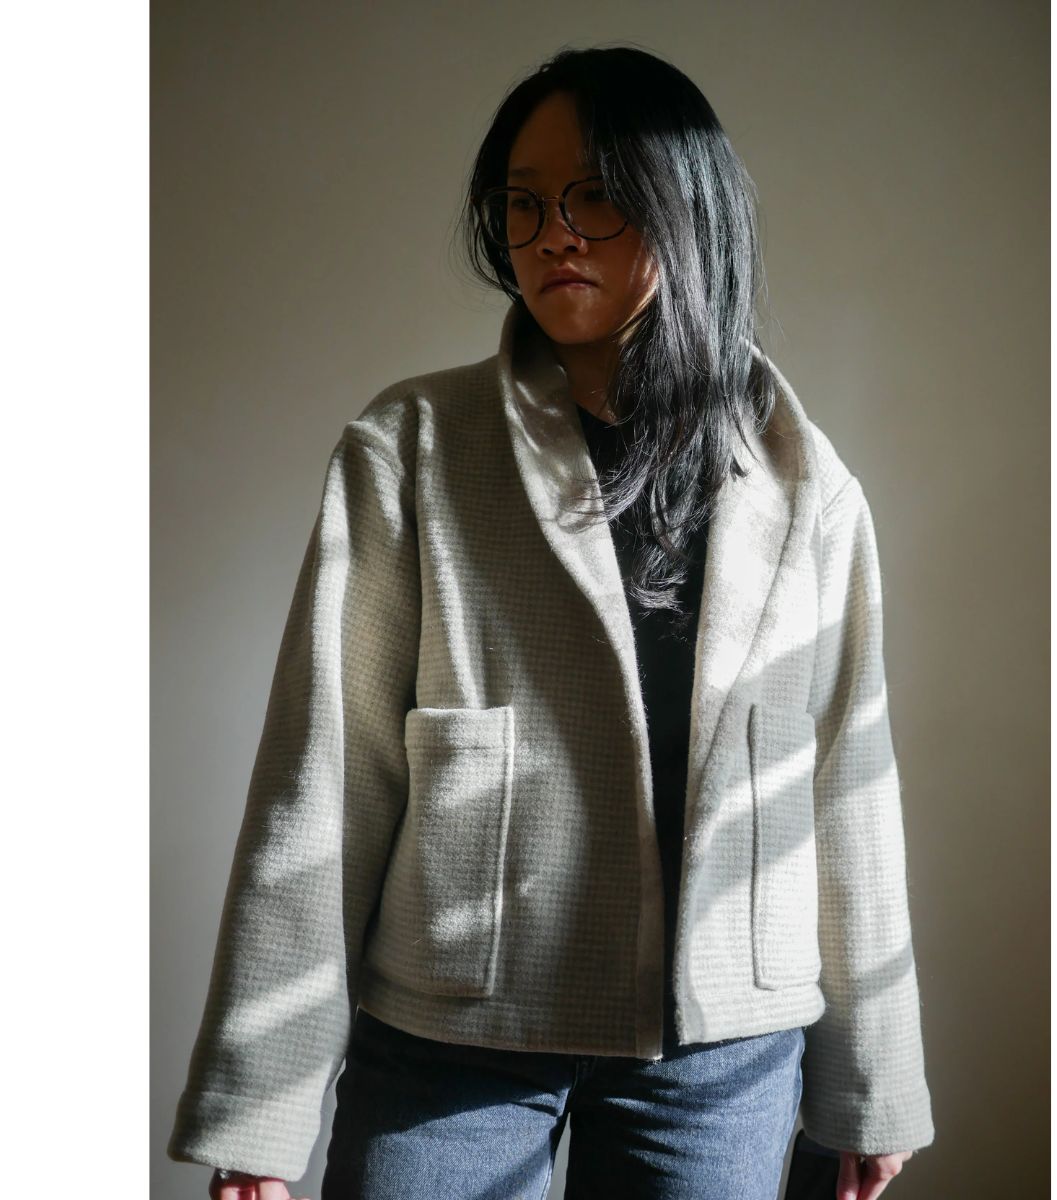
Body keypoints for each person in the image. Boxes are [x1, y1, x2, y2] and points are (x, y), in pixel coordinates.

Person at [167, 44, 934, 1200]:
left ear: (687, 208)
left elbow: (847, 785)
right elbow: (324, 778)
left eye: (596, 196)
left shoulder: (807, 488)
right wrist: (261, 1115)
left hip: (720, 1053)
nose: (553, 235)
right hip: (454, 1035)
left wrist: (874, 1083)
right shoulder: (410, 449)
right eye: (524, 204)